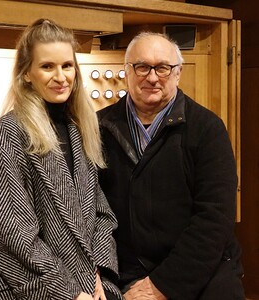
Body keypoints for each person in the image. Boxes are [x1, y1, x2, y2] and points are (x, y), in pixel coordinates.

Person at [0, 18, 123, 300]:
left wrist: (97, 271)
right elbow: (10, 234)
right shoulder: (11, 131)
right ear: (26, 73)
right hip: (24, 286)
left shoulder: (79, 128)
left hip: (84, 281)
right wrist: (68, 292)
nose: (61, 76)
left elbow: (100, 213)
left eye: (67, 66)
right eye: (47, 66)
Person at [98, 32, 245, 300]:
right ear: (126, 71)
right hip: (123, 270)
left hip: (200, 269)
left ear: (178, 73)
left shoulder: (208, 129)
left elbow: (214, 220)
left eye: (163, 68)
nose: (152, 77)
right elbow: (87, 214)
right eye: (142, 67)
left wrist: (161, 286)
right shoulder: (97, 128)